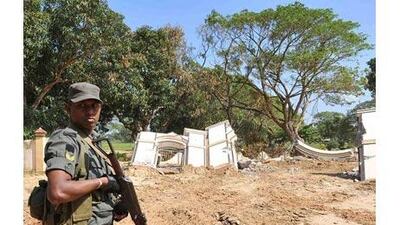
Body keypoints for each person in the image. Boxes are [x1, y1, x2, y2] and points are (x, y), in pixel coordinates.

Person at [44, 82, 128, 225]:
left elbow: (93, 194)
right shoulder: (65, 140)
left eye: (94, 106)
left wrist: (113, 205)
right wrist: (103, 182)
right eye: (82, 105)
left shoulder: (94, 141)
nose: (90, 111)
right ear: (68, 108)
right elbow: (58, 192)